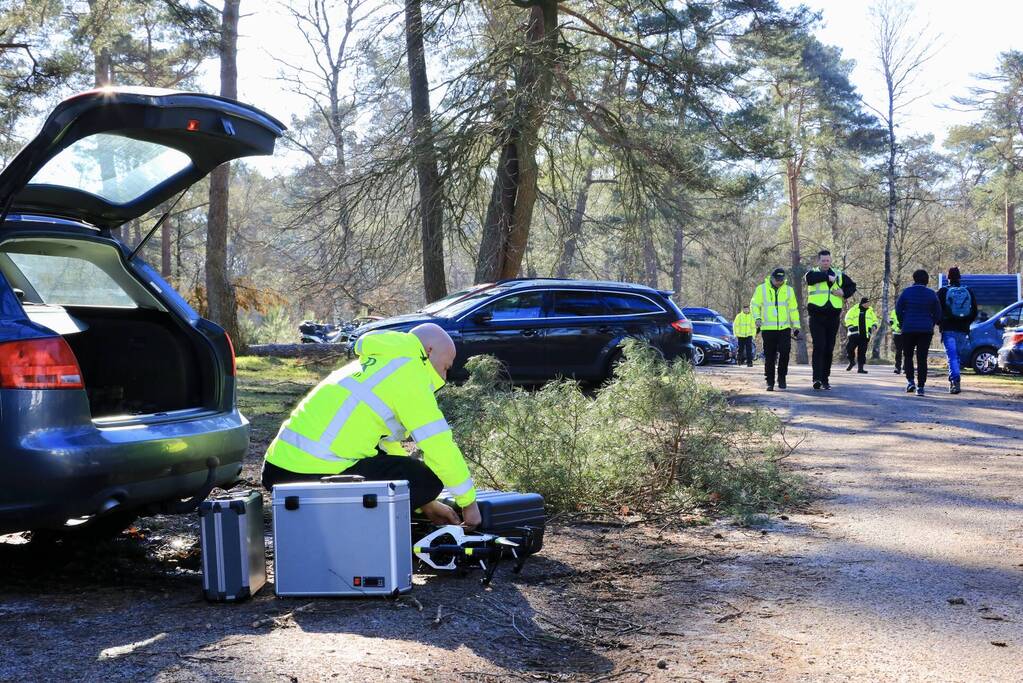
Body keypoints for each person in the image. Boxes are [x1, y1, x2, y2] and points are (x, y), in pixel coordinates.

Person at [261, 323, 481, 528]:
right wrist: (469, 503)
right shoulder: (411, 373)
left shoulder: (377, 362)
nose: (444, 377)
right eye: (445, 367)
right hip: (310, 475)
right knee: (428, 480)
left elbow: (385, 447)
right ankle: (360, 533)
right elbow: (438, 444)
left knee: (406, 475)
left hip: (278, 469)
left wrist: (426, 503)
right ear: (429, 351)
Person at [805, 250, 857, 390]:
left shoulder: (839, 274)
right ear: (818, 261)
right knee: (819, 346)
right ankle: (816, 378)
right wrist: (827, 277)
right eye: (823, 260)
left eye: (828, 260)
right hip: (816, 316)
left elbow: (853, 286)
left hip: (833, 317)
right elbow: (809, 280)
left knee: (829, 348)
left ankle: (825, 379)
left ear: (831, 260)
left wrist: (843, 293)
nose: (826, 263)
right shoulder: (812, 273)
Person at [750, 268, 800, 391]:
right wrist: (757, 318)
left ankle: (782, 378)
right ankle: (770, 381)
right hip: (768, 328)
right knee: (769, 356)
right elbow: (754, 305)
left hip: (784, 328)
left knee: (785, 353)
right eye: (777, 280)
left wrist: (796, 326)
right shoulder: (761, 289)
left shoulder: (789, 290)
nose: (779, 282)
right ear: (771, 278)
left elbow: (793, 309)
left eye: (781, 280)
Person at [895, 269, 942, 396]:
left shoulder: (906, 292)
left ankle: (910, 381)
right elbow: (938, 313)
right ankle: (921, 387)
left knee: (908, 356)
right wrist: (930, 323)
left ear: (914, 279)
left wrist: (903, 322)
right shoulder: (932, 294)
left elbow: (898, 310)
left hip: (908, 328)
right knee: (922, 358)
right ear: (926, 280)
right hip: (925, 330)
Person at [936, 266, 978, 394]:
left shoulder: (942, 292)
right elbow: (974, 311)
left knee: (952, 356)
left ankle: (955, 381)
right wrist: (966, 323)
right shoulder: (968, 291)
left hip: (948, 328)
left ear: (948, 278)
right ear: (959, 277)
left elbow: (937, 311)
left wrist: (940, 323)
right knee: (957, 356)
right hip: (963, 330)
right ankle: (955, 379)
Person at [844, 297, 878, 373]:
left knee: (862, 352)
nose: (868, 304)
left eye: (869, 303)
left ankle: (860, 368)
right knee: (849, 349)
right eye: (867, 303)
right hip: (854, 334)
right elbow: (847, 318)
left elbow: (875, 320)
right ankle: (852, 361)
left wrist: (874, 325)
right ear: (863, 303)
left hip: (865, 335)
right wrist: (850, 326)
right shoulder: (854, 309)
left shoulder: (871, 311)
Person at [889, 309, 903, 374]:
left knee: (907, 351)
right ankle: (898, 367)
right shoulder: (894, 311)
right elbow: (891, 322)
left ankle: (906, 368)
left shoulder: (909, 309)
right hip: (897, 333)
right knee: (898, 351)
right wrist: (896, 328)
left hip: (907, 333)